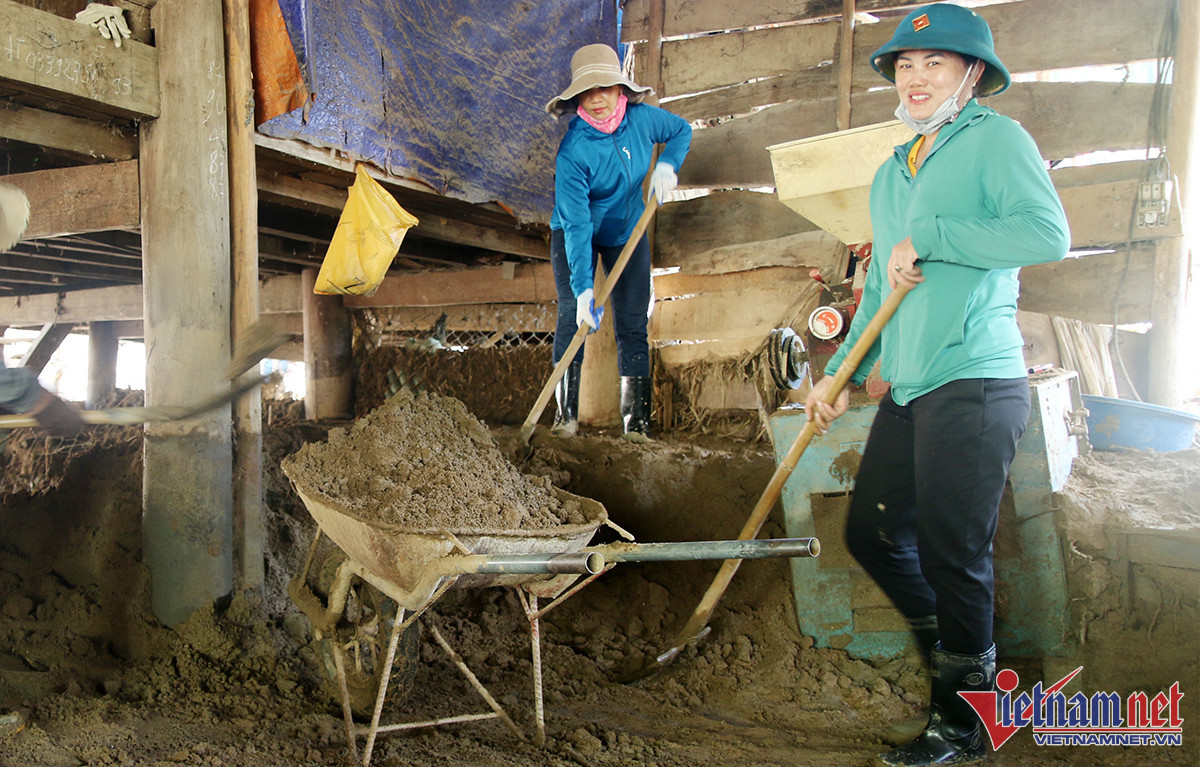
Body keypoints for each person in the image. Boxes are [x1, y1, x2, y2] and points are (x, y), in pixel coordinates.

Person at [803, 5, 1069, 765]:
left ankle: (965, 722)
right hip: (913, 386)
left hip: (976, 379)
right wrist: (841, 375)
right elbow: (879, 292)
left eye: (935, 64)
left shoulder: (997, 141)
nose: (915, 78)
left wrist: (937, 236)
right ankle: (966, 673)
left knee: (955, 554)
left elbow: (1048, 233)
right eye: (905, 65)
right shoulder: (895, 169)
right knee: (873, 534)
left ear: (972, 73)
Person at [544, 43, 691, 441]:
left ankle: (636, 425)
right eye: (587, 92)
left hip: (626, 232)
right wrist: (583, 289)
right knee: (572, 316)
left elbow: (681, 130)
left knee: (632, 320)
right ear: (577, 98)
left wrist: (667, 164)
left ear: (620, 89)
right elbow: (577, 225)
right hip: (576, 232)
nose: (597, 98)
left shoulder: (643, 120)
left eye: (604, 88)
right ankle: (565, 419)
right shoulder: (573, 151)